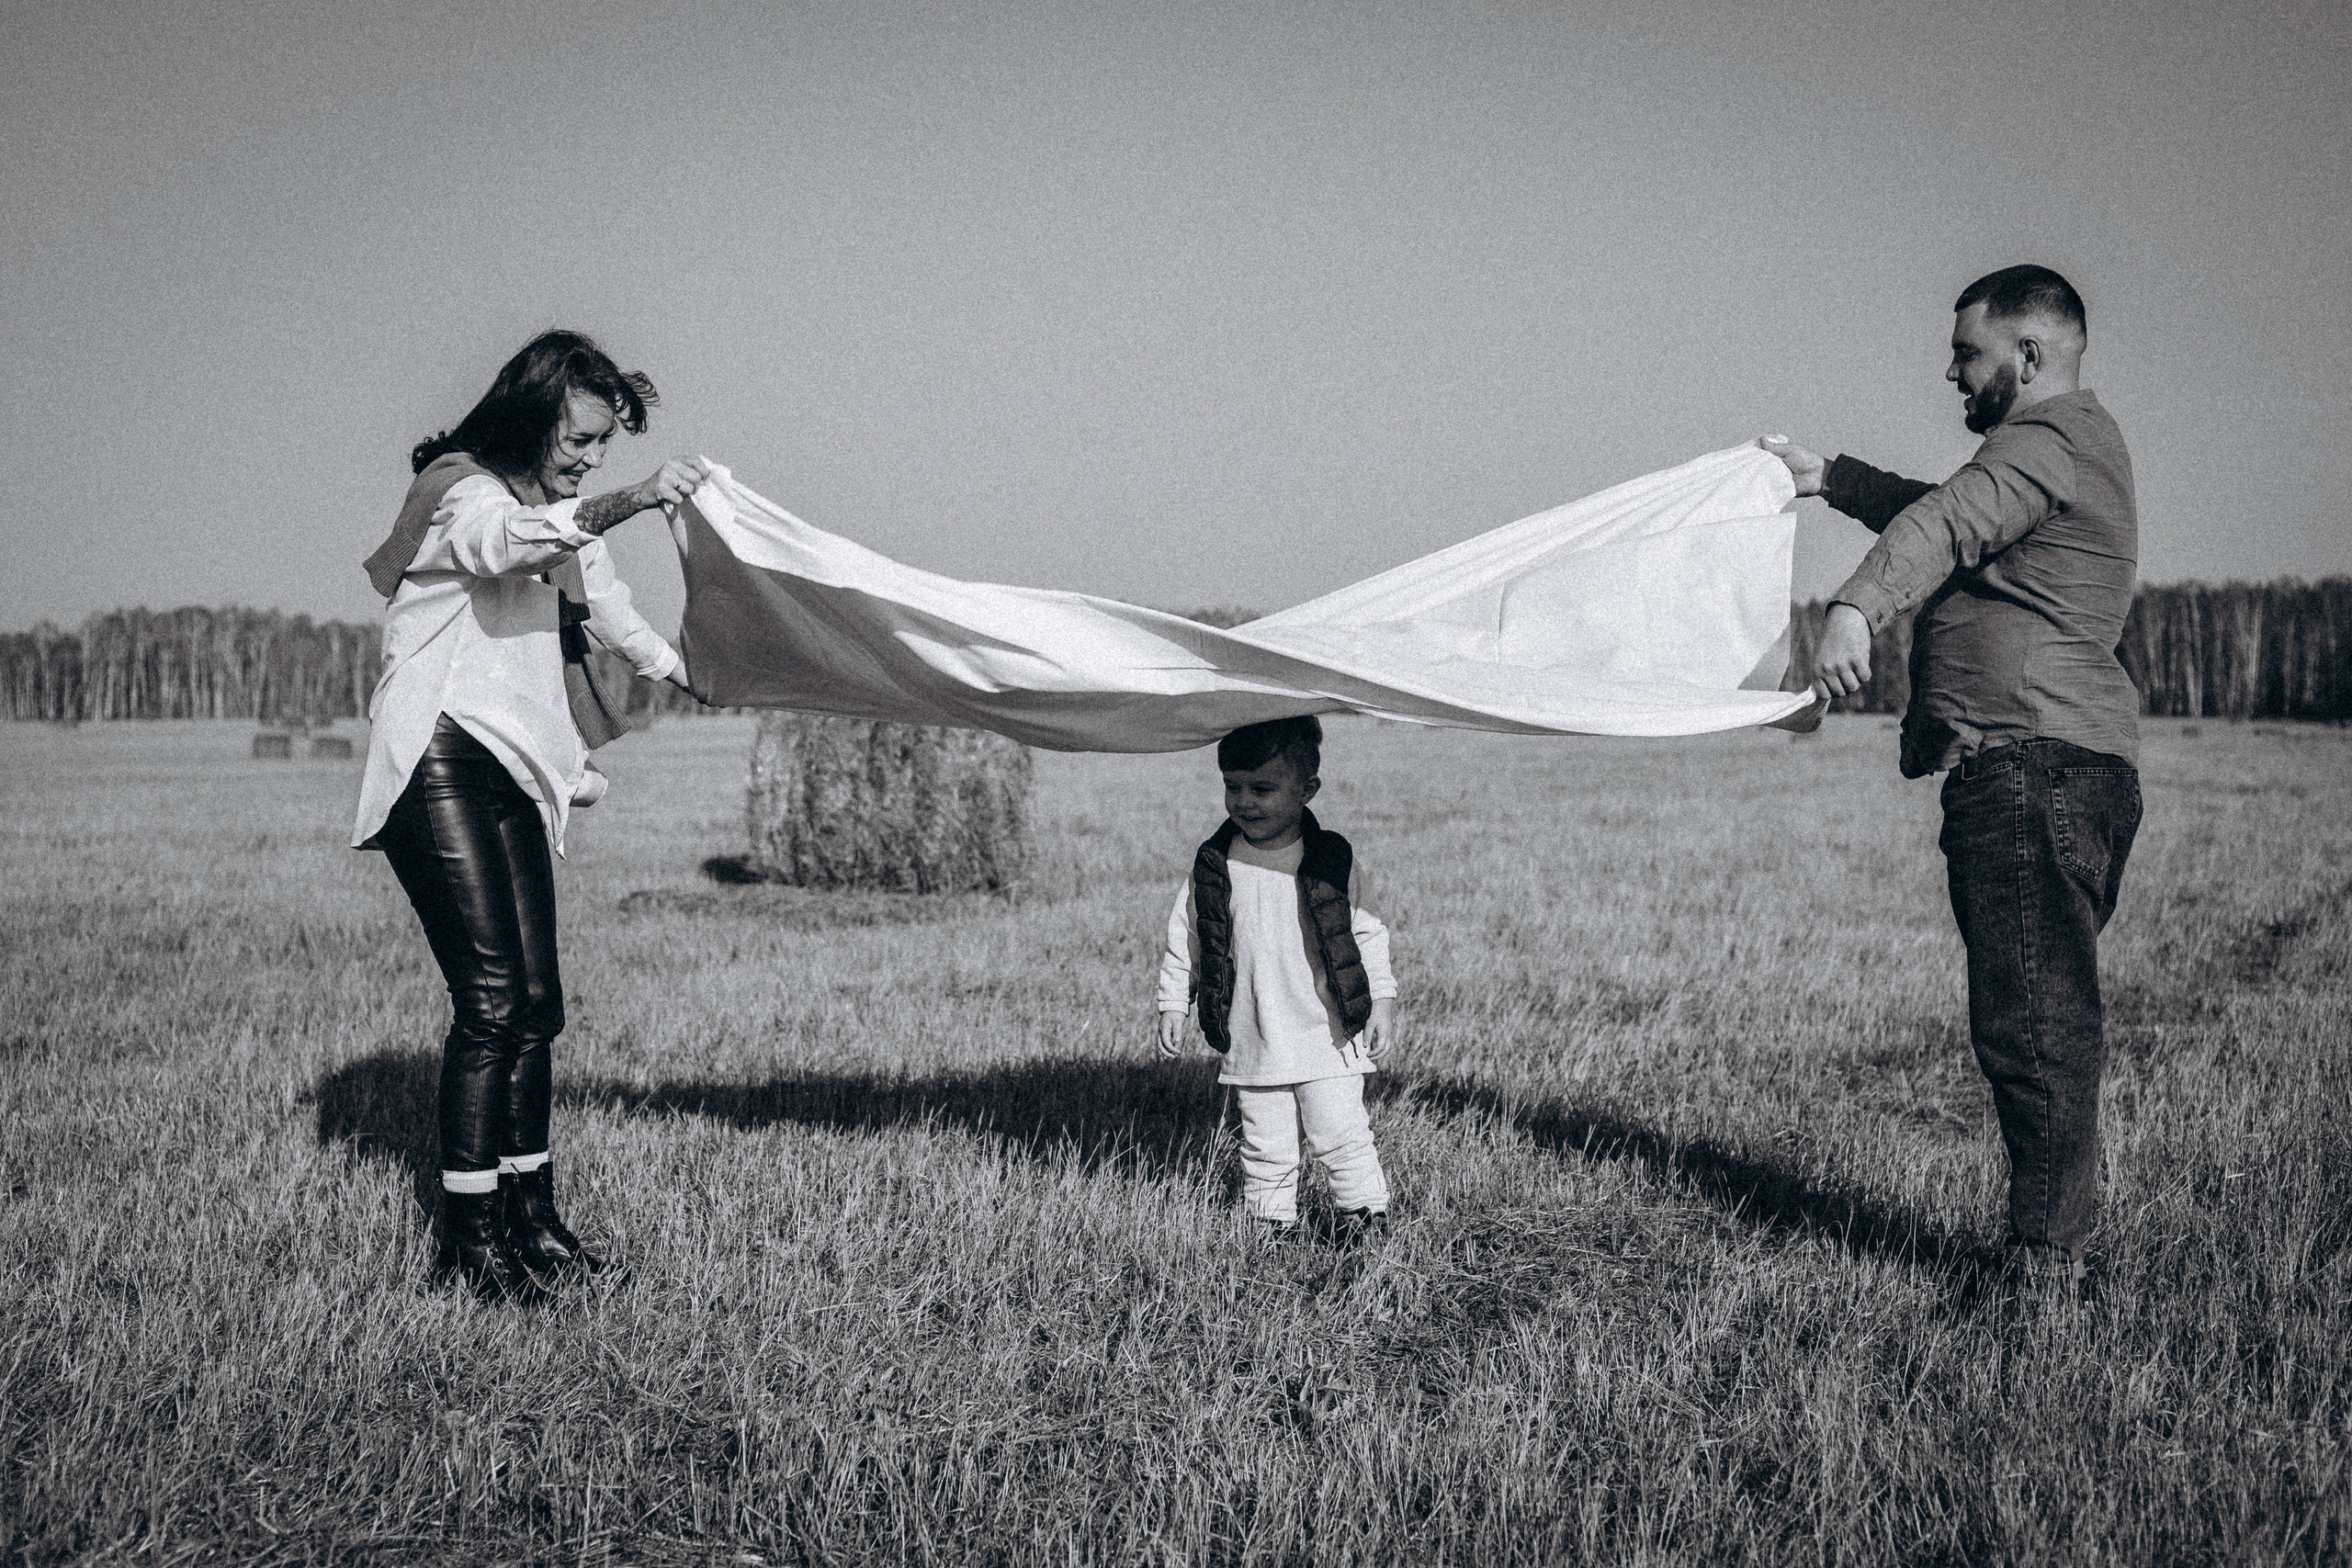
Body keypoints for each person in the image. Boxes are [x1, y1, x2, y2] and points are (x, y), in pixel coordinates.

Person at [1761, 265, 2142, 1294]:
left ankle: (2045, 1267)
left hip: (2029, 769)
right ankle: (2051, 1242)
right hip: (2067, 767)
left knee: (2032, 1022)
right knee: (2040, 1011)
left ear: (2029, 355)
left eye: (1966, 353)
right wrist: (1830, 476)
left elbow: (1944, 527)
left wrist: (1852, 608)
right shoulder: (2066, 450)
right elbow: (1948, 507)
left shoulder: (2044, 441)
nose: (1950, 371)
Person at [352, 330, 713, 1302]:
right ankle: (469, 1245)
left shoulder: (556, 516)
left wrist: (688, 671)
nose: (592, 458)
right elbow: (497, 545)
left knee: (537, 1006)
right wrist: (624, 502)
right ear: (535, 410)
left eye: (605, 447)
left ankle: (534, 1221)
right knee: (492, 1003)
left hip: (513, 769)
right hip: (439, 761)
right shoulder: (461, 489)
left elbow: (608, 607)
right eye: (582, 438)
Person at [1155, 716, 1397, 1241]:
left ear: (1307, 789)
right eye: (1232, 786)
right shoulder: (1214, 865)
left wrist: (1380, 1000)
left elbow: (1367, 932)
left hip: (1326, 1033)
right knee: (1264, 1140)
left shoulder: (1330, 859)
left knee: (1340, 1133)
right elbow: (1189, 937)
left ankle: (1365, 1219)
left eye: (1262, 788)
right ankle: (1270, 1228)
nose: (1244, 801)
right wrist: (1175, 1002)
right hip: (1252, 1033)